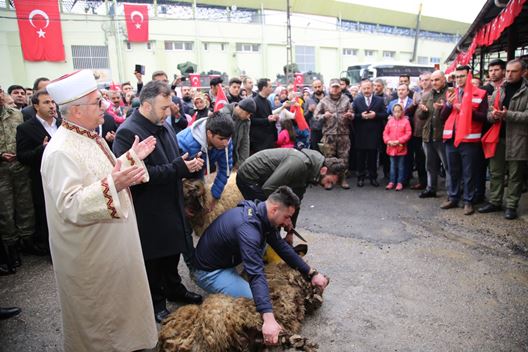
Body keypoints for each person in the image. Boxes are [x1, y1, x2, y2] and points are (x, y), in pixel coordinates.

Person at [41, 69, 158, 351]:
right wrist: (112, 183)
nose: (105, 106)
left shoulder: (88, 136)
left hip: (109, 246)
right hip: (90, 255)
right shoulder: (60, 151)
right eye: (98, 101)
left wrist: (130, 158)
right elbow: (70, 204)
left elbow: (104, 174)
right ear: (77, 110)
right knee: (101, 324)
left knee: (120, 311)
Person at [191, 186, 329, 346]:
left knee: (263, 252)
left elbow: (282, 247)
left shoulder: (260, 213)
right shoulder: (249, 229)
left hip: (224, 260)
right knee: (254, 301)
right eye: (287, 217)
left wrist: (311, 273)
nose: (288, 223)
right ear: (275, 209)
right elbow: (256, 273)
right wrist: (268, 318)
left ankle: (235, 279)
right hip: (208, 271)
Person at [113, 80, 204, 323]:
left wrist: (187, 164)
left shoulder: (163, 123)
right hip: (149, 208)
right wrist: (178, 167)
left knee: (172, 252)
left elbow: (173, 161)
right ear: (145, 105)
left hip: (171, 202)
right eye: (163, 108)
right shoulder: (128, 132)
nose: (169, 112)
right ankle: (155, 302)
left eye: (169, 107)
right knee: (153, 258)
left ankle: (174, 288)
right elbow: (139, 175)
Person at [236, 148, 345, 231]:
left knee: (277, 219)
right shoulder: (300, 164)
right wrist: (283, 216)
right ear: (324, 170)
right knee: (270, 218)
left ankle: (271, 249)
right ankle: (258, 251)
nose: (327, 186)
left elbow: (296, 201)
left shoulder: (310, 170)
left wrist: (291, 230)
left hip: (263, 180)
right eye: (328, 181)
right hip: (249, 176)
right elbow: (268, 189)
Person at [478, 59, 528, 220]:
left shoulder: (526, 90)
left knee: (515, 175)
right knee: (496, 172)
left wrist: (508, 115)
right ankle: (495, 201)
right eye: (507, 71)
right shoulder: (500, 89)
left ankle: (512, 206)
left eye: (513, 71)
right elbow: (488, 114)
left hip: (518, 139)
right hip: (497, 137)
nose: (509, 74)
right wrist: (493, 116)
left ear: (523, 72)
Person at [16, 90, 62, 252]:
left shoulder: (63, 124)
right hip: (43, 179)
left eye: (53, 102)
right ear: (36, 106)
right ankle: (53, 250)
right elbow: (22, 156)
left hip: (64, 176)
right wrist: (41, 149)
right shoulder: (25, 128)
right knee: (47, 215)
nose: (52, 106)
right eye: (46, 102)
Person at [440, 65, 488, 215]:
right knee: (453, 171)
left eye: (462, 76)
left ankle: (468, 201)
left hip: (469, 140)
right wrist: (448, 105)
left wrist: (467, 110)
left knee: (469, 172)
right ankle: (453, 197)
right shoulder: (451, 93)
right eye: (456, 76)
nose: (459, 79)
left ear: (469, 76)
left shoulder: (480, 93)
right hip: (451, 139)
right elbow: (443, 116)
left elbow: (484, 117)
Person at [0, 85, 36, 270]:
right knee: (5, 211)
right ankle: (10, 248)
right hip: (1, 172)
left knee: (25, 206)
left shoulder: (15, 114)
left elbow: (23, 137)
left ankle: (27, 242)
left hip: (19, 168)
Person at [177, 113, 234, 210]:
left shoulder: (225, 141)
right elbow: (172, 172)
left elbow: (225, 169)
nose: (225, 143)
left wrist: (215, 195)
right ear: (209, 134)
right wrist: (182, 205)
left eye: (228, 139)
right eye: (221, 139)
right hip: (181, 180)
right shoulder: (184, 142)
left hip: (199, 176)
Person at [314, 78, 354, 189]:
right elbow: (315, 116)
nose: (335, 89)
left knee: (344, 157)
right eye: (333, 87)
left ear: (340, 87)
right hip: (329, 134)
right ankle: (328, 180)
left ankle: (343, 179)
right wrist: (323, 116)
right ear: (329, 88)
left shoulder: (346, 99)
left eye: (337, 87)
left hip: (343, 133)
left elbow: (352, 113)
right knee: (328, 159)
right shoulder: (324, 101)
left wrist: (350, 115)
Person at [416, 70, 450, 198]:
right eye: (432, 80)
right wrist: (423, 111)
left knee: (447, 166)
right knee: (430, 165)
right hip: (428, 134)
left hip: (442, 135)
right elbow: (421, 116)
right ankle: (431, 188)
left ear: (444, 80)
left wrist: (444, 108)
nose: (434, 82)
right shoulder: (427, 95)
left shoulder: (449, 93)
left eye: (437, 80)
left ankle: (451, 192)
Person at [352, 79, 388, 187]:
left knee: (373, 157)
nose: (366, 90)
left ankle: (373, 177)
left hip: (374, 133)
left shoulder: (379, 100)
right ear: (361, 89)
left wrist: (375, 115)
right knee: (360, 158)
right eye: (364, 88)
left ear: (372, 88)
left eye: (368, 88)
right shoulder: (357, 100)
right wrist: (361, 116)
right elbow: (353, 117)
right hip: (361, 133)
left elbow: (385, 114)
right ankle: (360, 177)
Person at [219, 97, 256, 167]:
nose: (248, 117)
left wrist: (241, 163)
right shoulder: (223, 115)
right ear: (241, 109)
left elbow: (245, 142)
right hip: (220, 159)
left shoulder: (246, 121)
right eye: (248, 113)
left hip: (234, 158)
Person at [383, 104, 412, 190]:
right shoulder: (390, 121)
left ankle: (400, 182)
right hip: (391, 147)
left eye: (399, 111)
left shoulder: (406, 121)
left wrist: (399, 141)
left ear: (402, 112)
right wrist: (388, 141)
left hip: (401, 147)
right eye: (395, 111)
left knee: (401, 166)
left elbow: (408, 133)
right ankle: (392, 181)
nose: (397, 113)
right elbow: (385, 133)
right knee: (392, 166)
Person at [250, 78, 278, 154]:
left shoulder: (268, 102)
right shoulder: (254, 102)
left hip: (269, 139)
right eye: (270, 87)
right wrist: (267, 120)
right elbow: (251, 120)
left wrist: (274, 118)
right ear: (264, 88)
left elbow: (269, 117)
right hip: (259, 141)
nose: (271, 89)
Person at [303, 79, 325, 151]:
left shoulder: (328, 98)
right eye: (315, 87)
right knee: (315, 152)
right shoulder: (309, 100)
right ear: (313, 88)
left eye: (319, 86)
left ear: (322, 86)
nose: (317, 89)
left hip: (327, 130)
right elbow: (304, 117)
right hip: (315, 131)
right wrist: (309, 111)